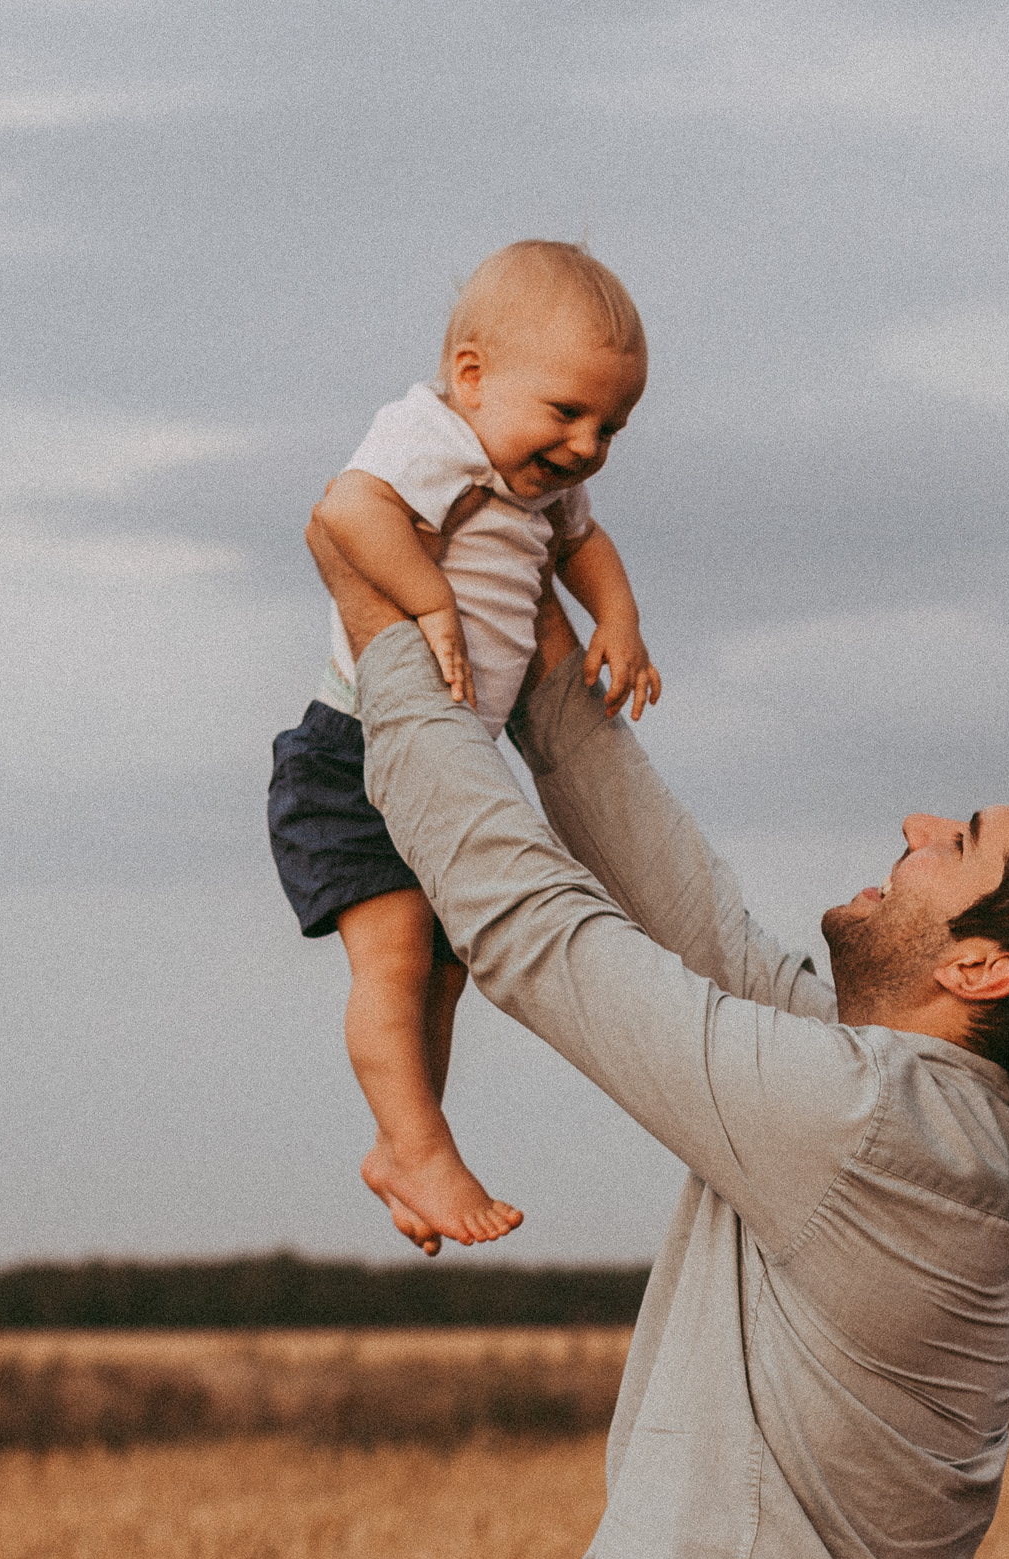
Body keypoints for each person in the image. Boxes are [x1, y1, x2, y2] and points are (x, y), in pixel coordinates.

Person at [310, 527, 1009, 1559]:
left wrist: (386, 633)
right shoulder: (999, 1144)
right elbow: (703, 931)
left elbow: (531, 928)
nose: (918, 825)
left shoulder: (866, 1126)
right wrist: (516, 592)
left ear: (979, 967)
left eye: (962, 843)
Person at [267, 240, 660, 1252]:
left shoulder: (539, 487)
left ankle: (408, 1141)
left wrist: (617, 619)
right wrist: (429, 599)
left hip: (447, 767)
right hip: (356, 756)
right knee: (396, 959)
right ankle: (416, 1144)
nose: (586, 445)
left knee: (447, 973)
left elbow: (584, 545)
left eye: (610, 426)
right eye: (566, 412)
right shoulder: (433, 435)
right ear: (473, 376)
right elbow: (347, 509)